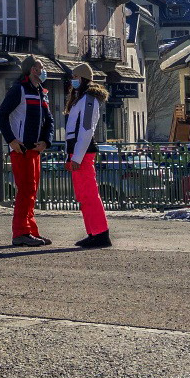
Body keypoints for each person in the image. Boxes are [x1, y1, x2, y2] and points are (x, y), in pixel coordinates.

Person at [0, 58, 54, 247]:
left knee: (31, 192)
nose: (43, 70)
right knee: (25, 191)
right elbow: (1, 115)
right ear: (32, 70)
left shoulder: (41, 92)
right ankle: (21, 232)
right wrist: (11, 140)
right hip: (22, 150)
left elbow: (49, 121)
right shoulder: (19, 89)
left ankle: (30, 230)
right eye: (40, 68)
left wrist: (46, 141)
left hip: (35, 150)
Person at [61, 61, 112, 249]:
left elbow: (86, 129)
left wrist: (76, 157)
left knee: (89, 194)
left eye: (75, 77)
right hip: (78, 152)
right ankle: (93, 232)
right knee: (84, 195)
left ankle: (100, 233)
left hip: (82, 152)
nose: (72, 81)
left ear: (82, 78)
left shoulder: (88, 99)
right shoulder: (81, 98)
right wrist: (71, 155)